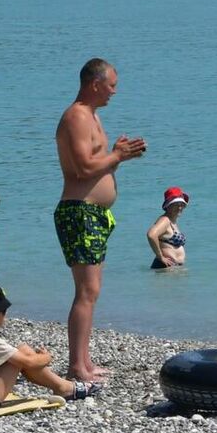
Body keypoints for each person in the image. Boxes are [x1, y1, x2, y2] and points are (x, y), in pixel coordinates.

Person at [54, 56, 146, 385]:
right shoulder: (76, 116)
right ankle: (76, 368)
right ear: (95, 84)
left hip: (95, 213)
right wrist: (117, 155)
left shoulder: (91, 116)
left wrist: (119, 156)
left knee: (92, 291)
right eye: (111, 85)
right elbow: (81, 169)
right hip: (80, 211)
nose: (114, 92)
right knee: (86, 291)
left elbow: (98, 165)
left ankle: (84, 362)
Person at [0, 284, 93, 412]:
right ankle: (65, 388)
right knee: (22, 355)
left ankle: (63, 386)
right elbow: (27, 362)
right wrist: (47, 357)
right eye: (4, 311)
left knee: (22, 352)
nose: (5, 316)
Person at [147, 187, 189, 269]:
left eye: (181, 205)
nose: (179, 208)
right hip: (164, 267)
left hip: (172, 269)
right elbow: (151, 235)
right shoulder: (165, 220)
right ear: (168, 206)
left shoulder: (172, 221)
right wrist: (160, 257)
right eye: (176, 205)